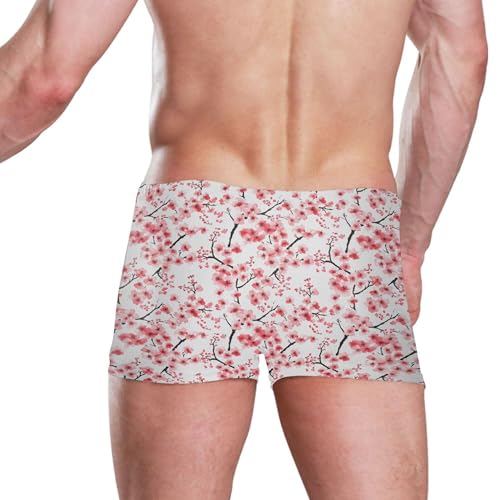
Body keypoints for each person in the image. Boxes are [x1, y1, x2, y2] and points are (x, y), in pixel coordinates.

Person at [0, 0, 488, 498]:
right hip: (347, 228)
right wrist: (408, 247)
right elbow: (459, 55)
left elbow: (42, 79)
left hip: (199, 222)